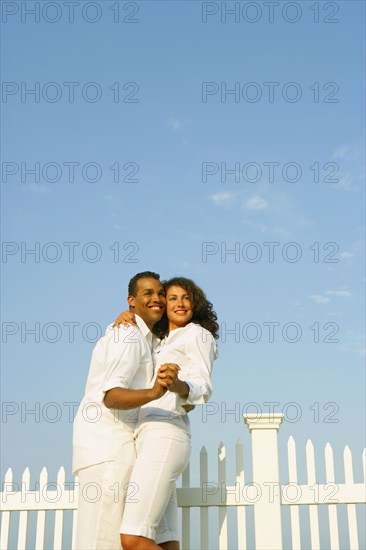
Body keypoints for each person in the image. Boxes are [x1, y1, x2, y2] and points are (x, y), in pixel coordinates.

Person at [110, 277, 219, 550]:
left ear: (196, 304)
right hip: (146, 437)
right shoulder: (159, 339)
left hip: (166, 434)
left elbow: (202, 386)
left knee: (133, 539)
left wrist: (177, 384)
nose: (180, 303)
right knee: (165, 540)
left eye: (186, 297)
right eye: (172, 298)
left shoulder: (197, 334)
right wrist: (130, 315)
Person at [72, 271, 179, 550]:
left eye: (160, 293)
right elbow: (111, 396)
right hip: (106, 448)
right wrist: (155, 392)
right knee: (101, 541)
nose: (156, 298)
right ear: (132, 301)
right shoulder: (128, 336)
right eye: (147, 293)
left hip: (122, 447)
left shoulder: (147, 339)